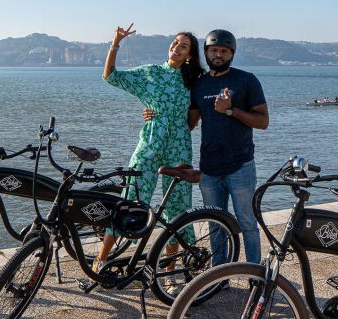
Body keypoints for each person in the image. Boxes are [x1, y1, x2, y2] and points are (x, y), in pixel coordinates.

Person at [94, 24, 204, 275]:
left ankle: (170, 272)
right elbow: (110, 76)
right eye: (175, 42)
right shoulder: (151, 74)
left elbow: (192, 120)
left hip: (179, 147)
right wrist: (116, 43)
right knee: (132, 197)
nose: (177, 47)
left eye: (183, 46)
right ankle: (101, 260)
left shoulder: (194, 81)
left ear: (190, 55)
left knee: (178, 206)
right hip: (150, 144)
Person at [189, 29, 268, 265]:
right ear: (205, 52)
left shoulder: (246, 80)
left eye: (224, 51)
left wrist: (231, 110)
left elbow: (263, 121)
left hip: (240, 165)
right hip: (209, 167)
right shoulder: (199, 85)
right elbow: (190, 123)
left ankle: (254, 273)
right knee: (215, 223)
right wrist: (153, 113)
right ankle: (218, 275)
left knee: (246, 222)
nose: (218, 54)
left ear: (232, 53)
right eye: (214, 50)